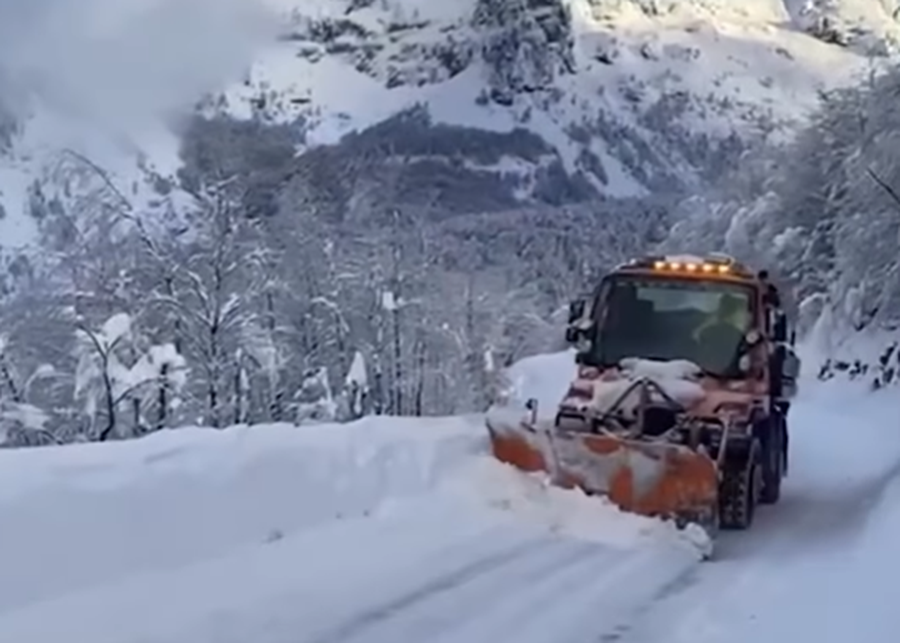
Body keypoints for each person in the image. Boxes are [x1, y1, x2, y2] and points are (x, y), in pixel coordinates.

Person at [693, 293, 749, 374]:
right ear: (734, 313)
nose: (747, 317)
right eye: (743, 312)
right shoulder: (735, 336)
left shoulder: (704, 332)